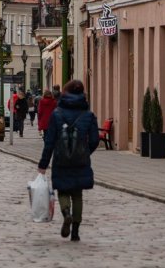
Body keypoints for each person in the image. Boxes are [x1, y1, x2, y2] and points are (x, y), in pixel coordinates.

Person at [37, 80, 99, 242]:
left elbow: (49, 141)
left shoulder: (57, 114)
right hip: (80, 160)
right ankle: (76, 232)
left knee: (63, 190)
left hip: (61, 159)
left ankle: (66, 213)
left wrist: (43, 164)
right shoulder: (88, 115)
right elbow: (94, 140)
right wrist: (85, 152)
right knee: (77, 194)